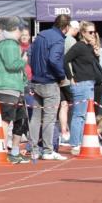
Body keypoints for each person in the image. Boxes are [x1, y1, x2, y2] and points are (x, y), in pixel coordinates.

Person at [28, 14, 70, 161]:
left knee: (36, 117)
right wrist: (61, 76)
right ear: (66, 27)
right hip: (49, 82)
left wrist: (34, 71)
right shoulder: (58, 39)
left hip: (36, 79)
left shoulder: (41, 35)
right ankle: (47, 149)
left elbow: (30, 53)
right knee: (49, 118)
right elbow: (54, 59)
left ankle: (34, 148)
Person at [0, 16, 31, 164]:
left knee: (21, 119)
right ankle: (0, 150)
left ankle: (14, 151)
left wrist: (24, 80)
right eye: (22, 29)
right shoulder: (8, 44)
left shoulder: (12, 44)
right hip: (7, 86)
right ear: (15, 29)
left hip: (16, 86)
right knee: (6, 119)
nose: (23, 32)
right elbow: (12, 65)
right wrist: (23, 60)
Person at [65, 22, 102, 155]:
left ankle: (82, 142)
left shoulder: (89, 47)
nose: (93, 34)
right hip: (81, 83)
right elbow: (65, 60)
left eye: (94, 32)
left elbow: (92, 66)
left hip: (90, 83)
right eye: (90, 32)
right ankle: (75, 144)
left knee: (87, 115)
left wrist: (97, 55)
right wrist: (71, 76)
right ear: (83, 33)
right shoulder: (79, 46)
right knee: (79, 115)